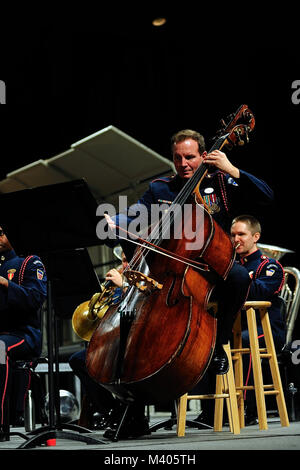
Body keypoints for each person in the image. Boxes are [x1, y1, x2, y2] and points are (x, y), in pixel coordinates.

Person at [103, 129, 274, 435]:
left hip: (213, 266)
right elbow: (130, 219)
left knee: (237, 276)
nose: (183, 163)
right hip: (170, 272)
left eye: (190, 157)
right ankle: (133, 411)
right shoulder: (160, 189)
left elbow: (266, 196)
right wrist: (118, 222)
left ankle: (217, 343)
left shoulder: (221, 182)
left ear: (204, 155)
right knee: (138, 329)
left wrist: (232, 168)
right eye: (178, 157)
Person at [69, 250, 135, 432]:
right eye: (122, 260)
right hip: (114, 339)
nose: (124, 265)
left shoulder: (142, 279)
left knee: (94, 359)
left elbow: (141, 305)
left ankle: (121, 412)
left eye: (127, 260)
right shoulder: (118, 283)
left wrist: (124, 285)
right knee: (78, 359)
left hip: (135, 340)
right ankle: (111, 410)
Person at [231, 214, 285, 424]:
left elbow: (259, 293)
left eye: (241, 234)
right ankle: (214, 409)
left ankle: (245, 408)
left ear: (255, 237)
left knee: (245, 341)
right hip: (238, 326)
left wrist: (234, 276)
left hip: (267, 329)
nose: (236, 239)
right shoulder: (233, 266)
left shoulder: (269, 266)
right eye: (233, 235)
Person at [0, 225, 47, 440]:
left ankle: (2, 423)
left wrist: (4, 284)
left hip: (23, 333)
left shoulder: (29, 262)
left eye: (1, 233)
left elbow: (35, 298)